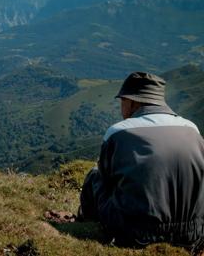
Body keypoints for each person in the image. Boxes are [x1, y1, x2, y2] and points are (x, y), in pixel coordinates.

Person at [79, 72, 204, 253]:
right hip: (193, 235)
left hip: (135, 234)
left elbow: (107, 178)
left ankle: (88, 227)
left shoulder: (118, 132)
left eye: (122, 101)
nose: (121, 107)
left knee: (94, 176)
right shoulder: (192, 128)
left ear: (133, 102)